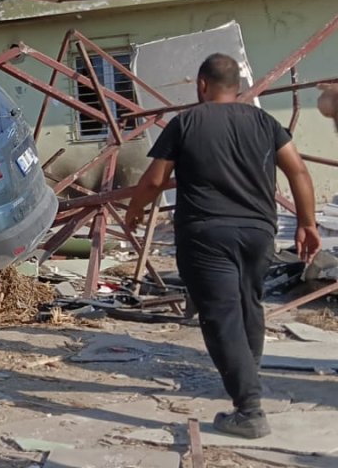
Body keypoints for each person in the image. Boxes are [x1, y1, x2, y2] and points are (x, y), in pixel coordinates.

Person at [125, 53, 321, 439]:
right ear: (238, 87)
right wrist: (307, 223)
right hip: (258, 233)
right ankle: (246, 377)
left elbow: (153, 181)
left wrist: (133, 212)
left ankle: (249, 409)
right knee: (249, 304)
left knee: (220, 316)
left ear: (201, 85)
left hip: (206, 235)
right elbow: (297, 170)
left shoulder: (187, 122)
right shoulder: (265, 122)